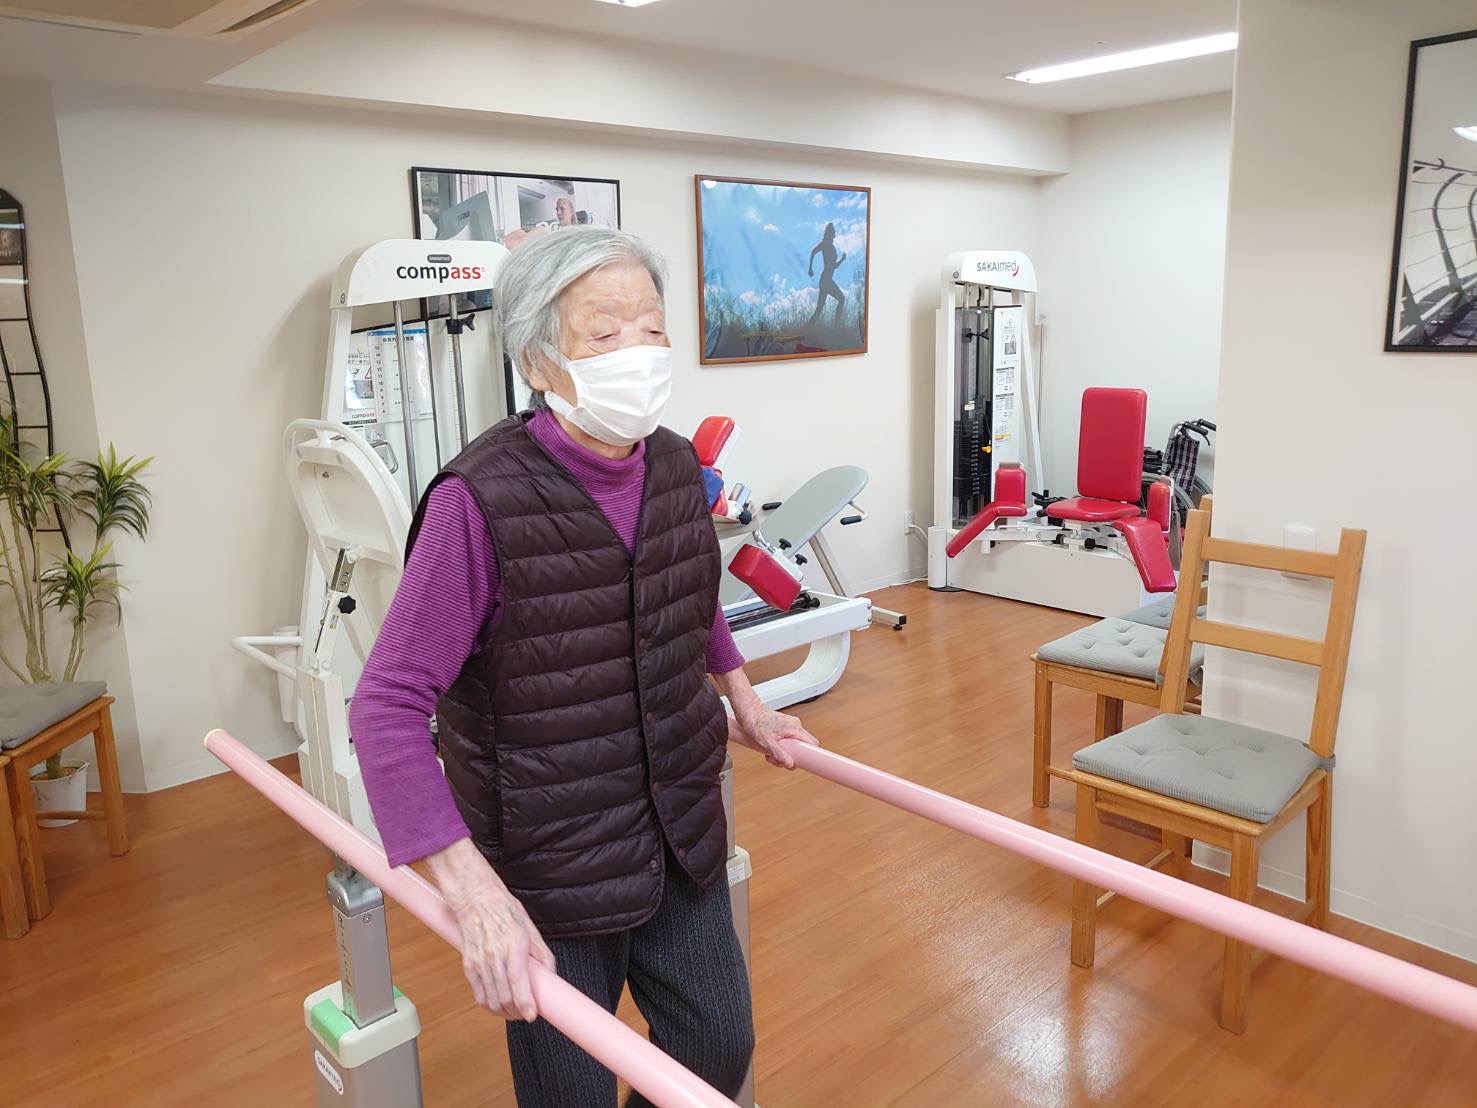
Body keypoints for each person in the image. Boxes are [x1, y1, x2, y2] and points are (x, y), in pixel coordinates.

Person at [349, 227, 817, 1107]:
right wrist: (473, 892)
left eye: (652, 327)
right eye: (604, 333)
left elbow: (688, 598)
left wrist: (746, 703)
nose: (638, 350)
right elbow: (386, 706)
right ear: (537, 361)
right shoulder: (478, 501)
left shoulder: (674, 465)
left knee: (716, 1046)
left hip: (677, 825)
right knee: (570, 1093)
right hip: (550, 856)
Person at [806, 221, 848, 328]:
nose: (835, 233)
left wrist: (842, 260)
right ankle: (833, 327)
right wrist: (810, 268)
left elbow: (834, 266)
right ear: (829, 233)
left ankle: (833, 326)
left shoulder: (832, 248)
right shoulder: (824, 244)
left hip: (828, 280)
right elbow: (813, 251)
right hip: (825, 280)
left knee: (838, 301)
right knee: (822, 308)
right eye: (833, 231)